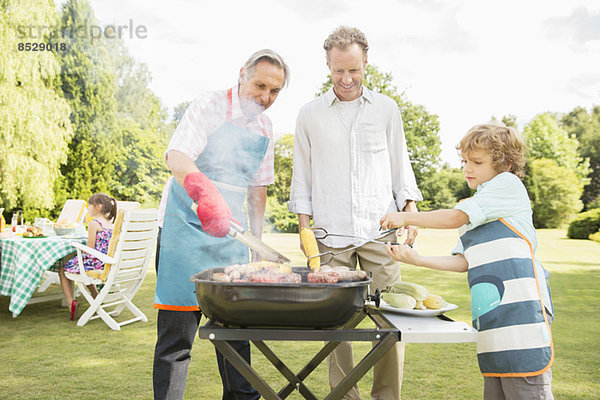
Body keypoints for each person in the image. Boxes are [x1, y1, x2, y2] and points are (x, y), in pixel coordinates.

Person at [288, 26, 422, 400]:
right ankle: (345, 396)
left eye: (354, 70)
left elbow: (401, 167)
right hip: (330, 236)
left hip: (380, 233)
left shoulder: (386, 109)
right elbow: (303, 176)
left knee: (391, 323)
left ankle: (386, 397)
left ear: (366, 63)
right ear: (327, 66)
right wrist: (304, 230)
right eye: (338, 71)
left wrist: (409, 209)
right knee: (337, 327)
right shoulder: (309, 114)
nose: (346, 79)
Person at [152, 49, 289, 400]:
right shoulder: (208, 106)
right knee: (176, 339)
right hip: (184, 228)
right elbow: (177, 155)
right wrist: (206, 193)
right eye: (260, 86)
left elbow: (258, 191)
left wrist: (256, 247)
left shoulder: (265, 127)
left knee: (234, 335)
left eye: (274, 91)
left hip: (230, 237)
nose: (265, 97)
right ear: (241, 75)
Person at [381, 123, 554, 400]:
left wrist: (407, 217)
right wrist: (416, 259)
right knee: (496, 387)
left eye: (477, 162)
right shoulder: (478, 206)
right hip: (493, 317)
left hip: (521, 315)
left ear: (505, 163)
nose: (467, 169)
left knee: (525, 386)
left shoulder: (506, 185)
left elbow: (455, 217)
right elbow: (463, 261)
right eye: (464, 161)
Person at [58, 193, 117, 321]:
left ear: (98, 207)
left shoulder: (94, 223)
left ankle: (70, 303)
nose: (87, 208)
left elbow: (90, 249)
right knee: (82, 267)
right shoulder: (109, 223)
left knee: (63, 269)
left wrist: (80, 253)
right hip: (105, 262)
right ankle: (96, 296)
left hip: (96, 262)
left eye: (89, 205)